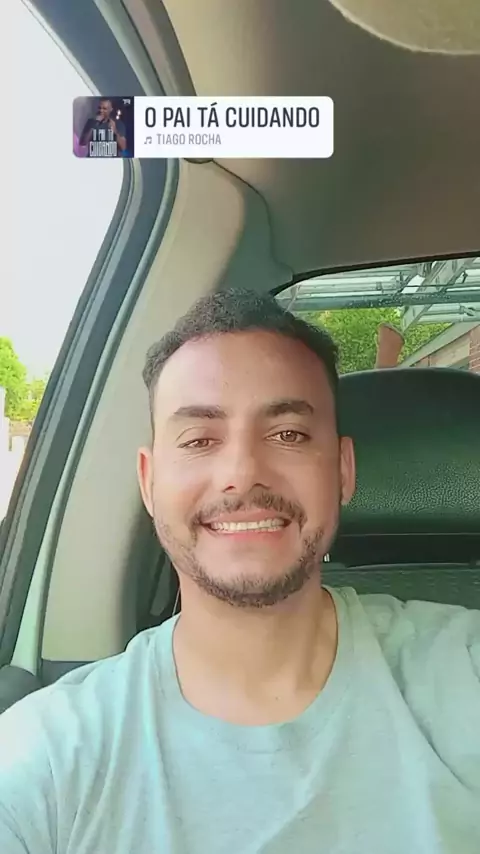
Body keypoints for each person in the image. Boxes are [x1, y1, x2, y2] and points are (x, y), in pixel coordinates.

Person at [0, 289, 479, 853]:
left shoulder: (463, 672)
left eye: (288, 434)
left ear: (343, 470)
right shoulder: (47, 758)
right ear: (149, 483)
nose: (244, 472)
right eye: (199, 439)